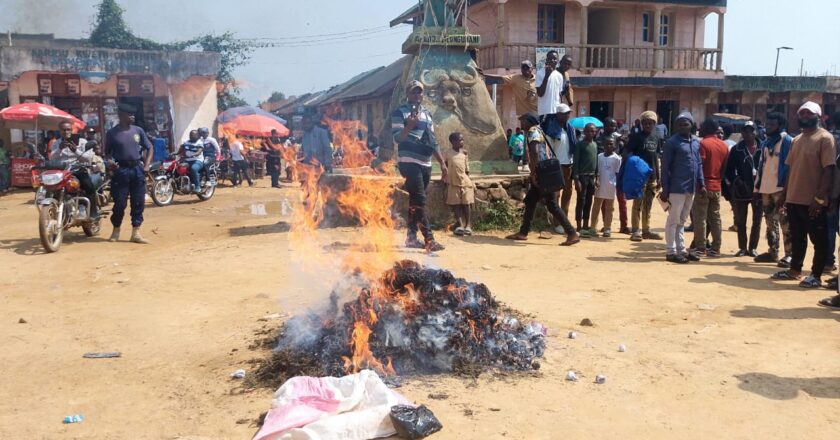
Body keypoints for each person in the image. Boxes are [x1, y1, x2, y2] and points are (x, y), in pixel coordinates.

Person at [771, 102, 837, 289]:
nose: (805, 116)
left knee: (819, 240)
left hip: (813, 201)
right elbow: (791, 170)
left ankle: (816, 275)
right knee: (797, 238)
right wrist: (784, 195)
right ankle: (795, 270)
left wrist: (819, 198)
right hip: (794, 198)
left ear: (818, 116)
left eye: (809, 113)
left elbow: (829, 170)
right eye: (802, 113)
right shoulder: (797, 140)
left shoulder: (825, 138)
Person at [505, 112, 579, 246]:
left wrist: (534, 173)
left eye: (523, 120)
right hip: (543, 171)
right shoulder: (539, 130)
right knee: (530, 201)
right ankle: (523, 232)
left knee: (552, 204)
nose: (521, 123)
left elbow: (535, 152)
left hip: (541, 173)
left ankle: (571, 233)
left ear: (529, 121)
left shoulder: (533, 131)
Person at [391, 80, 448, 251]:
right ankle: (429, 239)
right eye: (413, 92)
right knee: (420, 199)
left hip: (426, 162)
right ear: (407, 94)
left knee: (415, 201)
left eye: (419, 92)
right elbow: (397, 138)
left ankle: (411, 238)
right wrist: (409, 126)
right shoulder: (400, 112)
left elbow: (433, 141)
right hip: (409, 162)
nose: (417, 95)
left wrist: (442, 164)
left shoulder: (427, 114)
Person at [104, 102, 153, 244]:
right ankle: (116, 230)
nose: (133, 116)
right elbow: (107, 153)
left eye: (133, 114)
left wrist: (147, 165)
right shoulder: (112, 133)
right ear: (121, 115)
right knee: (119, 203)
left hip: (137, 169)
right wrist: (110, 162)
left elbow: (149, 147)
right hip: (121, 171)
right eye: (130, 114)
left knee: (138, 202)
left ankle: (136, 232)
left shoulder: (138, 130)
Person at [661, 112, 705, 264]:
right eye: (679, 124)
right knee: (673, 220)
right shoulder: (671, 143)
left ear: (691, 125)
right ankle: (671, 251)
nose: (682, 127)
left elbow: (698, 164)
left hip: (691, 187)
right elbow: (665, 167)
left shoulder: (696, 143)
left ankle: (681, 249)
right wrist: (665, 188)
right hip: (676, 187)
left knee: (682, 220)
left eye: (685, 124)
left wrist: (702, 183)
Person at [754, 112, 794, 267]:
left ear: (780, 126)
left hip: (780, 189)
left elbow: (790, 167)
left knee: (785, 222)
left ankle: (789, 254)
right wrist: (757, 187)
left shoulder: (788, 142)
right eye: (767, 124)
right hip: (766, 188)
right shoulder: (766, 143)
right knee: (770, 222)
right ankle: (773, 251)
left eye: (772, 125)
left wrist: (786, 190)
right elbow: (761, 166)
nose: (768, 127)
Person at [689, 118, 728, 257]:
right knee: (715, 217)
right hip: (717, 185)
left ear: (706, 128)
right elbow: (724, 168)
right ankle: (716, 248)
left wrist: (700, 184)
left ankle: (701, 247)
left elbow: (699, 166)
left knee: (700, 217)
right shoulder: (724, 145)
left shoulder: (703, 144)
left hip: (703, 186)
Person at [724, 122, 762, 257]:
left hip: (759, 190)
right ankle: (742, 248)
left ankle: (753, 248)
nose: (748, 134)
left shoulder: (763, 147)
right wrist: (737, 181)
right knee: (741, 221)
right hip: (741, 190)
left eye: (751, 131)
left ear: (756, 132)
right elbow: (729, 170)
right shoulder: (736, 149)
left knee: (757, 221)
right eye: (745, 131)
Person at [627, 111, 662, 242]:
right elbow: (628, 153)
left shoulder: (656, 137)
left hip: (652, 176)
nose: (648, 125)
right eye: (645, 123)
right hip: (639, 177)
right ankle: (636, 230)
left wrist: (658, 177)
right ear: (641, 124)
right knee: (638, 203)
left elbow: (656, 157)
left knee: (648, 204)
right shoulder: (636, 137)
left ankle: (646, 230)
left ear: (654, 124)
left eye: (650, 123)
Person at [55, 121, 100, 219]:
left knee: (88, 186)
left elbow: (88, 158)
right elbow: (52, 158)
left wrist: (76, 150)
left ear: (72, 130)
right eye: (63, 130)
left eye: (68, 129)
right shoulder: (57, 143)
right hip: (62, 172)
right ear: (60, 131)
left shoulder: (82, 141)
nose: (66, 132)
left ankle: (93, 212)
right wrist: (59, 149)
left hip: (78, 169)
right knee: (51, 187)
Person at [543, 103, 576, 233]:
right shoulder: (552, 131)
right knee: (556, 195)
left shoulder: (570, 129)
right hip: (557, 166)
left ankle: (565, 221)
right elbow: (548, 151)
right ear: (558, 115)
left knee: (567, 193)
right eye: (565, 113)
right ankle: (557, 223)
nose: (568, 115)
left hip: (569, 165)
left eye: (569, 113)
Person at [597, 118, 627, 232]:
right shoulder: (599, 140)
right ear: (604, 126)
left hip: (618, 172)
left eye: (614, 126)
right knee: (605, 201)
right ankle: (606, 224)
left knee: (621, 199)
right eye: (610, 125)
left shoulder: (618, 138)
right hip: (606, 173)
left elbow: (624, 151)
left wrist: (623, 141)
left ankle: (624, 225)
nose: (613, 128)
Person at [590, 136, 621, 238]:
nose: (609, 146)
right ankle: (593, 227)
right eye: (607, 144)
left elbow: (617, 173)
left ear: (614, 146)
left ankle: (607, 228)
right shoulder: (599, 157)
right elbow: (596, 170)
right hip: (599, 185)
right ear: (603, 145)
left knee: (609, 208)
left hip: (610, 186)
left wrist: (616, 185)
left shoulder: (617, 158)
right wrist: (596, 180)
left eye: (611, 144)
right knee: (596, 206)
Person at [444, 132, 474, 236]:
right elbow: (445, 165)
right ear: (453, 142)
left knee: (466, 203)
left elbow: (467, 168)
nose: (462, 142)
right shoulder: (448, 153)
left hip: (465, 182)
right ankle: (460, 225)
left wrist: (469, 179)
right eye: (460, 140)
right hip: (453, 182)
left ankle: (468, 225)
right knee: (456, 204)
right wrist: (445, 177)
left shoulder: (464, 153)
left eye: (462, 140)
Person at [573, 123, 598, 236]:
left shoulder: (595, 145)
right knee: (581, 200)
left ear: (595, 132)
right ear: (584, 132)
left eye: (592, 131)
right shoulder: (580, 145)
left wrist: (597, 177)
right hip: (582, 177)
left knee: (589, 201)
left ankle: (586, 224)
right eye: (588, 131)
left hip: (591, 177)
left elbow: (595, 162)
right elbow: (576, 162)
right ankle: (578, 225)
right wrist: (576, 179)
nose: (590, 133)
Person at [535, 50, 562, 120]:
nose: (552, 60)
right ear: (546, 60)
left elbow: (559, 95)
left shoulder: (559, 75)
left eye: (554, 59)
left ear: (557, 61)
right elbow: (540, 93)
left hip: (556, 112)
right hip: (544, 112)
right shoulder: (540, 73)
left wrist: (561, 110)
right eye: (550, 58)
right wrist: (547, 75)